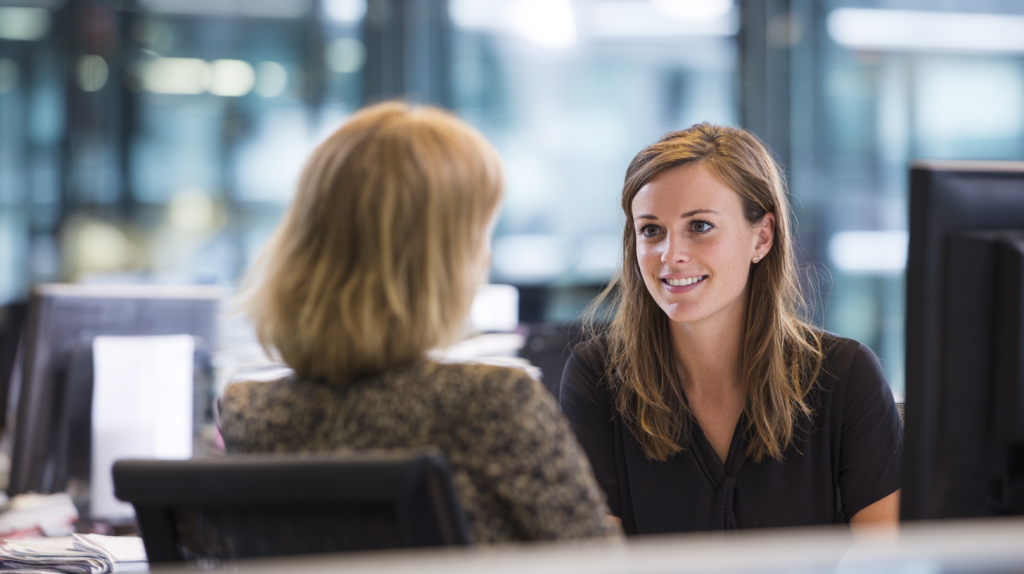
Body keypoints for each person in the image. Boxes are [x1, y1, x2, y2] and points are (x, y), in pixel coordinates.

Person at [219, 102, 621, 544]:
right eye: (480, 232)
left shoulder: (249, 412)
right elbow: (597, 559)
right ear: (438, 260)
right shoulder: (489, 403)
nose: (485, 257)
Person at [560, 123, 902, 534]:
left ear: (762, 237)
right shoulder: (597, 378)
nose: (671, 255)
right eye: (651, 230)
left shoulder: (846, 377)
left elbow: (887, 560)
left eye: (699, 226)